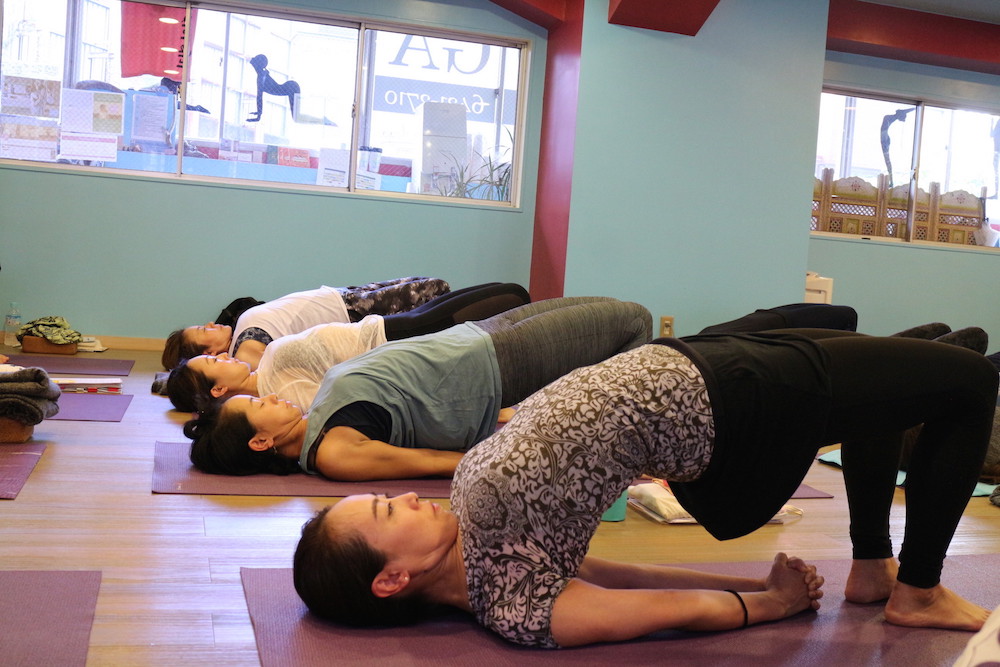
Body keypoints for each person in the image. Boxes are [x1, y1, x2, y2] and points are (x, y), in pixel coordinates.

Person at [291, 327, 998, 648]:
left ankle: (874, 570)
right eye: (387, 511)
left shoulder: (480, 542)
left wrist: (756, 582)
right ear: (392, 579)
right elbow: (659, 607)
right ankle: (918, 593)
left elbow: (617, 574)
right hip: (730, 410)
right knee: (969, 382)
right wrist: (771, 604)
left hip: (697, 364)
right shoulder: (516, 608)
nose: (406, 496)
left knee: (908, 359)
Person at [182, 297, 652, 481]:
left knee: (620, 317)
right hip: (498, 365)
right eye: (257, 406)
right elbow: (440, 462)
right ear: (261, 441)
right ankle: (630, 454)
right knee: (633, 320)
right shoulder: (333, 453)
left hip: (479, 338)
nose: (267, 396)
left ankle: (625, 446)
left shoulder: (317, 416)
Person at [166, 282, 531, 412]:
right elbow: (345, 395)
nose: (223, 357)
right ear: (219, 389)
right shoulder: (278, 389)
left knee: (506, 295)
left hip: (384, 326)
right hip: (395, 340)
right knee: (512, 297)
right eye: (213, 363)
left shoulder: (265, 371)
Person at [163, 277, 456, 370]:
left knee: (433, 289)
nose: (210, 323)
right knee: (437, 290)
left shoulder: (242, 329)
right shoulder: (246, 342)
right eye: (203, 330)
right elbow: (256, 365)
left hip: (346, 296)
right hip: (352, 312)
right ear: (209, 354)